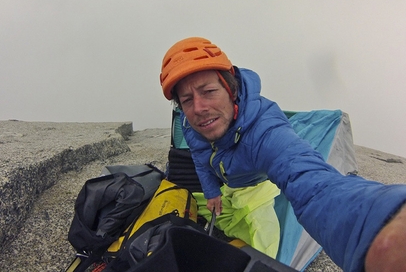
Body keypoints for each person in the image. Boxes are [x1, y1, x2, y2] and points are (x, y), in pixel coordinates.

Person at [159, 37, 406, 272]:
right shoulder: (190, 124)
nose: (199, 108)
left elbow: (312, 185)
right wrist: (212, 192)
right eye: (187, 99)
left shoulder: (265, 132)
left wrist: (378, 228)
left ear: (231, 88)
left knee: (265, 249)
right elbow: (201, 159)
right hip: (224, 178)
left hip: (254, 185)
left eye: (209, 91)